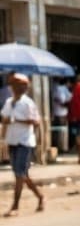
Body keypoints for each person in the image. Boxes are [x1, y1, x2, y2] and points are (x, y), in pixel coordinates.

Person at [1, 73, 44, 216]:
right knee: (21, 175)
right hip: (12, 141)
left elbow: (36, 121)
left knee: (20, 175)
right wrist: (3, 136)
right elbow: (5, 118)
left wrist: (17, 120)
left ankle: (15, 206)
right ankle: (40, 196)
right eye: (13, 84)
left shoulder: (28, 103)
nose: (16, 87)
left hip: (25, 142)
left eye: (19, 84)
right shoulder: (8, 102)